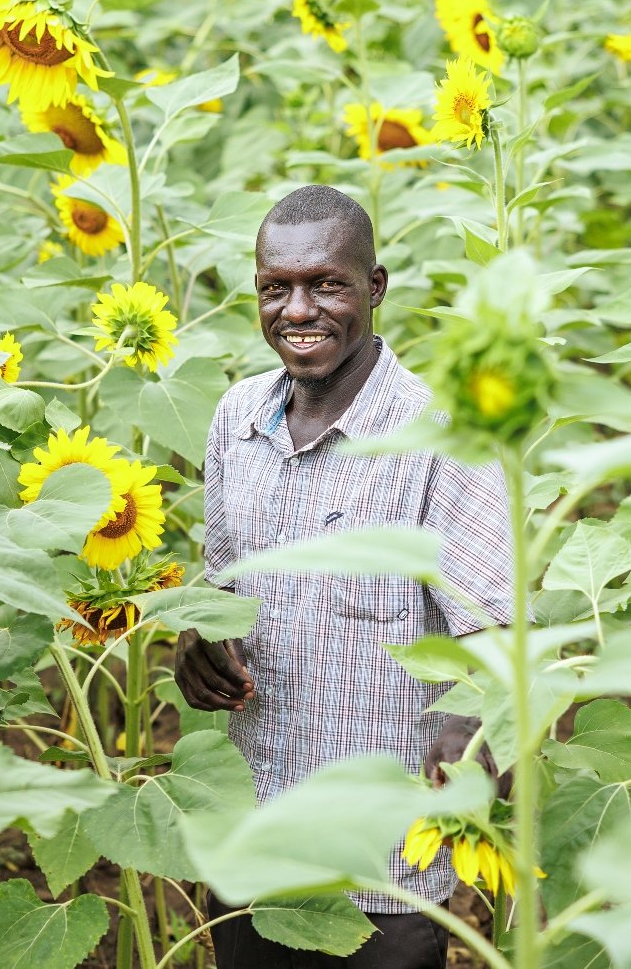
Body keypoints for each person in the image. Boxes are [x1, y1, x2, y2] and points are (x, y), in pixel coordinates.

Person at [177, 184, 515, 969]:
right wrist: (199, 639)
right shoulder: (236, 419)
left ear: (374, 286)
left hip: (381, 862)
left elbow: (494, 631)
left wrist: (471, 730)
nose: (298, 310)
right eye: (276, 288)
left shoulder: (441, 438)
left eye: (326, 284)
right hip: (254, 833)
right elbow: (222, 587)